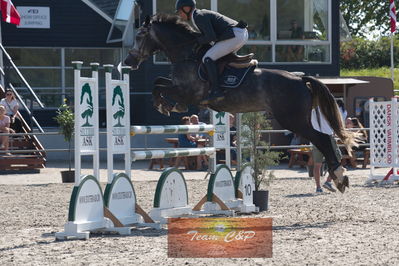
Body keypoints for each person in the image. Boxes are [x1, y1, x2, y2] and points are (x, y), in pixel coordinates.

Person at [175, 0, 249, 104]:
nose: (179, 15)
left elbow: (210, 37)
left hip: (235, 35)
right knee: (218, 57)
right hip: (239, 34)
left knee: (207, 58)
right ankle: (226, 85)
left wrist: (197, 41)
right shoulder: (198, 15)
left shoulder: (198, 17)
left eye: (179, 12)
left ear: (186, 8)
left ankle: (216, 90)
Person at [311, 107, 342, 193]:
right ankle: (328, 181)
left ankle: (318, 187)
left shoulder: (311, 110)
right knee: (337, 159)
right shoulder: (327, 109)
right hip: (327, 136)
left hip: (315, 137)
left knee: (317, 165)